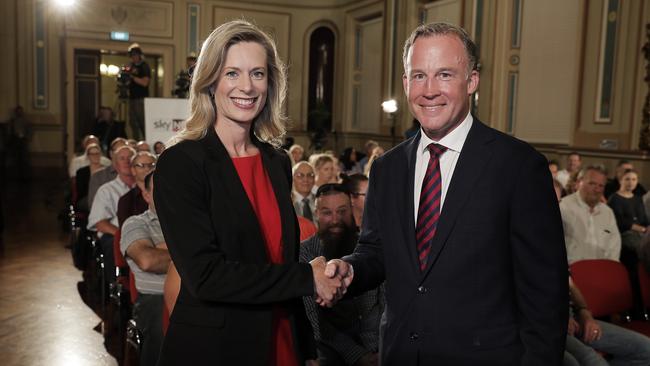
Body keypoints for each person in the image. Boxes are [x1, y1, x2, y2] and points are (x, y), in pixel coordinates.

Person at [322, 22, 568, 364]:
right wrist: (350, 270)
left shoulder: (518, 167)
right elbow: (376, 251)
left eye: (445, 75)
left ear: (472, 81)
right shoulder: (387, 168)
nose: (429, 90)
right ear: (406, 83)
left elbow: (546, 294)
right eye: (419, 76)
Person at [153, 20, 345, 365]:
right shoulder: (181, 163)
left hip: (282, 338)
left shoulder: (276, 161)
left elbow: (275, 258)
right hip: (217, 349)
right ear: (210, 81)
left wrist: (306, 338)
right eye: (232, 73)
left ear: (270, 84)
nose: (247, 86)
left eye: (257, 73)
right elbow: (206, 277)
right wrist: (306, 277)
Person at [301, 184, 383, 366]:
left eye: (342, 211)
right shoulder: (305, 253)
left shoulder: (371, 248)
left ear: (352, 210)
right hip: (331, 345)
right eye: (327, 212)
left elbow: (384, 302)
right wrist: (358, 355)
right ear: (316, 214)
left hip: (378, 340)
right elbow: (314, 320)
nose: (335, 220)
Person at [121, 172, 170, 366]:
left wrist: (162, 248)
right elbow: (147, 260)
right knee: (162, 329)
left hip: (198, 292)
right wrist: (190, 254)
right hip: (156, 296)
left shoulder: (195, 222)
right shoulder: (136, 223)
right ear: (147, 195)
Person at [564, 276, 650, 366]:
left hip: (575, 318)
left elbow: (571, 286)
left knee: (646, 350)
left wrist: (585, 314)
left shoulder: (559, 264)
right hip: (553, 326)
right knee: (590, 359)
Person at [560, 166, 621, 264]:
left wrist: (610, 269)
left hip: (602, 271)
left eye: (601, 186)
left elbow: (614, 246)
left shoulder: (607, 212)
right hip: (571, 272)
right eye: (592, 184)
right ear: (579, 182)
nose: (597, 189)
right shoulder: (563, 207)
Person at [116, 151, 156, 227]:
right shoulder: (126, 200)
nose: (147, 169)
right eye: (141, 165)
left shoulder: (166, 194)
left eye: (152, 165)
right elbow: (127, 231)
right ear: (133, 170)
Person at [127, 43, 151, 140]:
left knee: (142, 123)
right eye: (131, 55)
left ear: (139, 55)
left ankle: (145, 141)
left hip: (140, 99)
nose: (133, 57)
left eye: (135, 55)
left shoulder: (144, 66)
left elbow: (145, 82)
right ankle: (135, 142)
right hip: (132, 98)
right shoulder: (131, 66)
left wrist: (132, 77)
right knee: (133, 123)